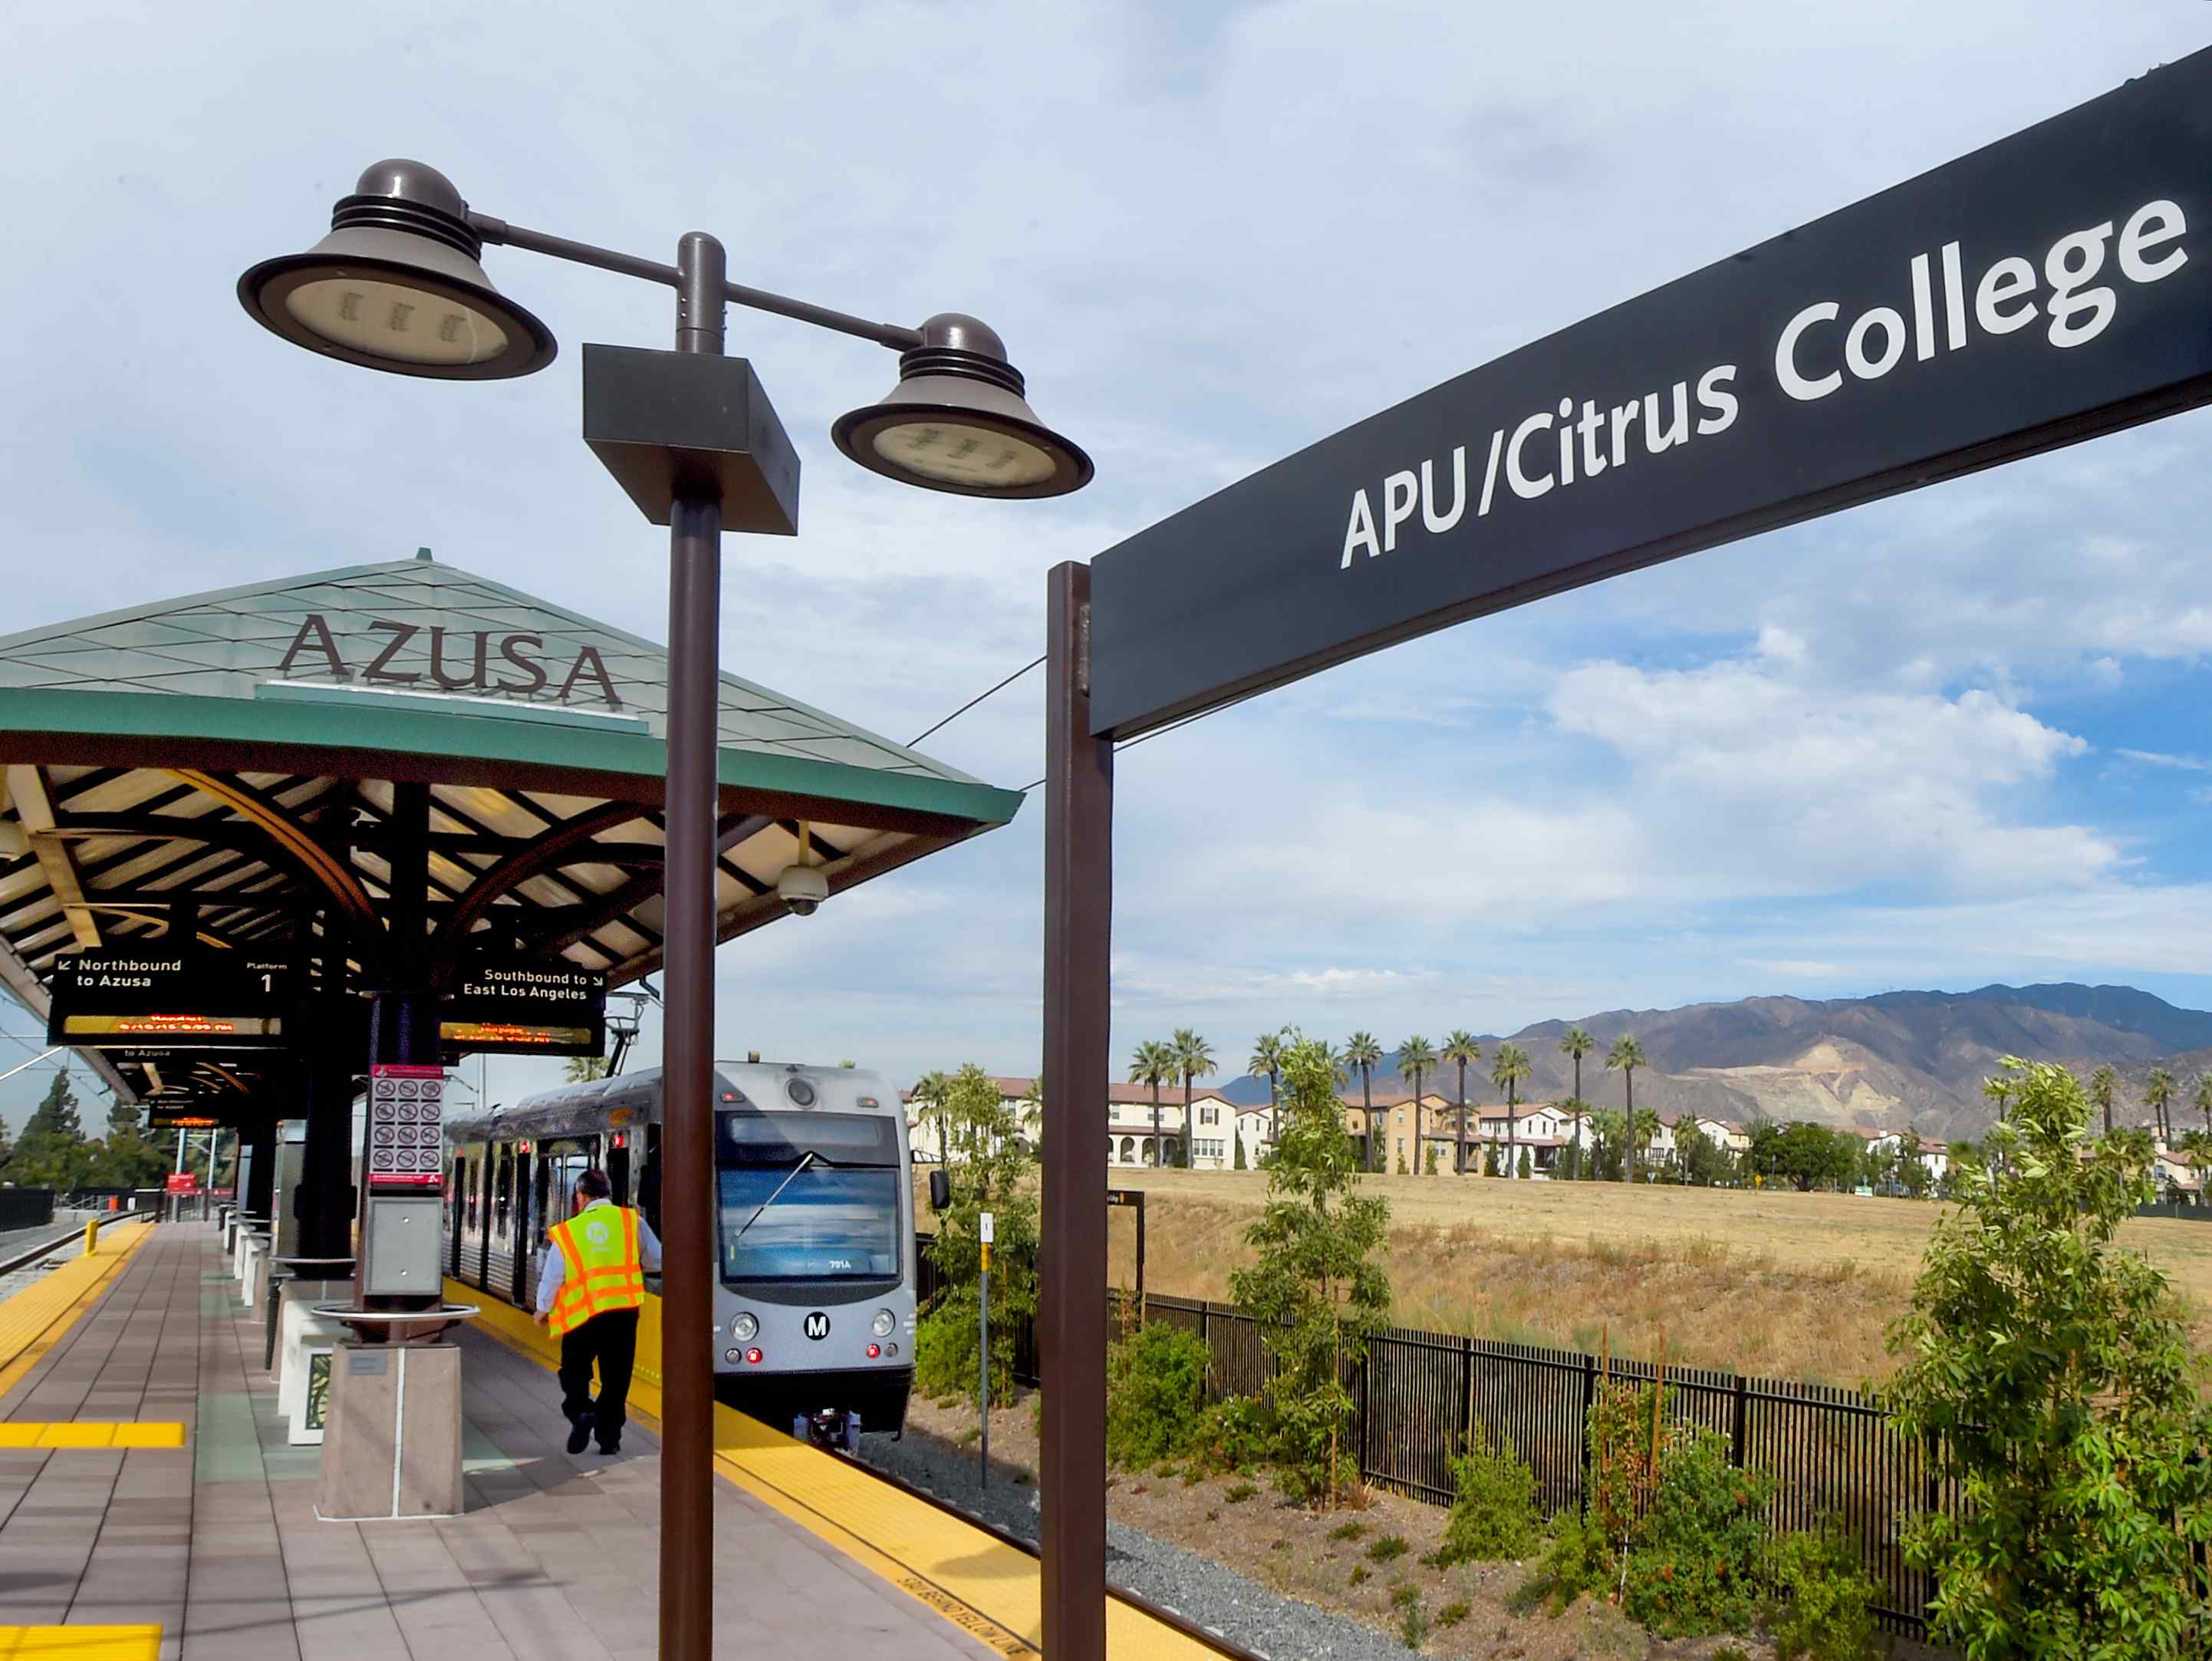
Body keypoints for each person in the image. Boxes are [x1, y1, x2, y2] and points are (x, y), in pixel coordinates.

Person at [535, 1167, 661, 1455]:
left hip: (582, 1316)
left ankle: (581, 1412)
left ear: (581, 1196)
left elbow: (554, 1274)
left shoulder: (569, 1231)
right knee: (616, 1380)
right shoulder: (632, 1222)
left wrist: (543, 1309)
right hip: (622, 1315)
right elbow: (657, 1259)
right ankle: (609, 1439)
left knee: (574, 1372)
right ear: (608, 1194)